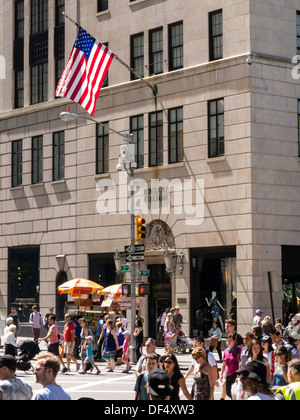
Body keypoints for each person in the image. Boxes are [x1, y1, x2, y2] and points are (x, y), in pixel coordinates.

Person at [220, 334, 241, 400]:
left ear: (234, 341)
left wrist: (238, 375)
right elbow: (224, 364)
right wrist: (221, 374)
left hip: (235, 373)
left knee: (234, 391)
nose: (228, 342)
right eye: (227, 340)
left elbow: (240, 362)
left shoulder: (238, 350)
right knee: (228, 391)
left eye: (230, 340)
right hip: (228, 373)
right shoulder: (226, 351)